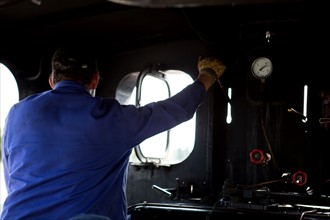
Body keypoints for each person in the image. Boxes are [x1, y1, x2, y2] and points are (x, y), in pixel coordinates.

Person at [0, 47, 226, 220]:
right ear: (95, 79)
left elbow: (12, 177)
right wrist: (207, 75)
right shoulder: (111, 116)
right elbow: (176, 109)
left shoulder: (17, 113)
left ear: (51, 81)